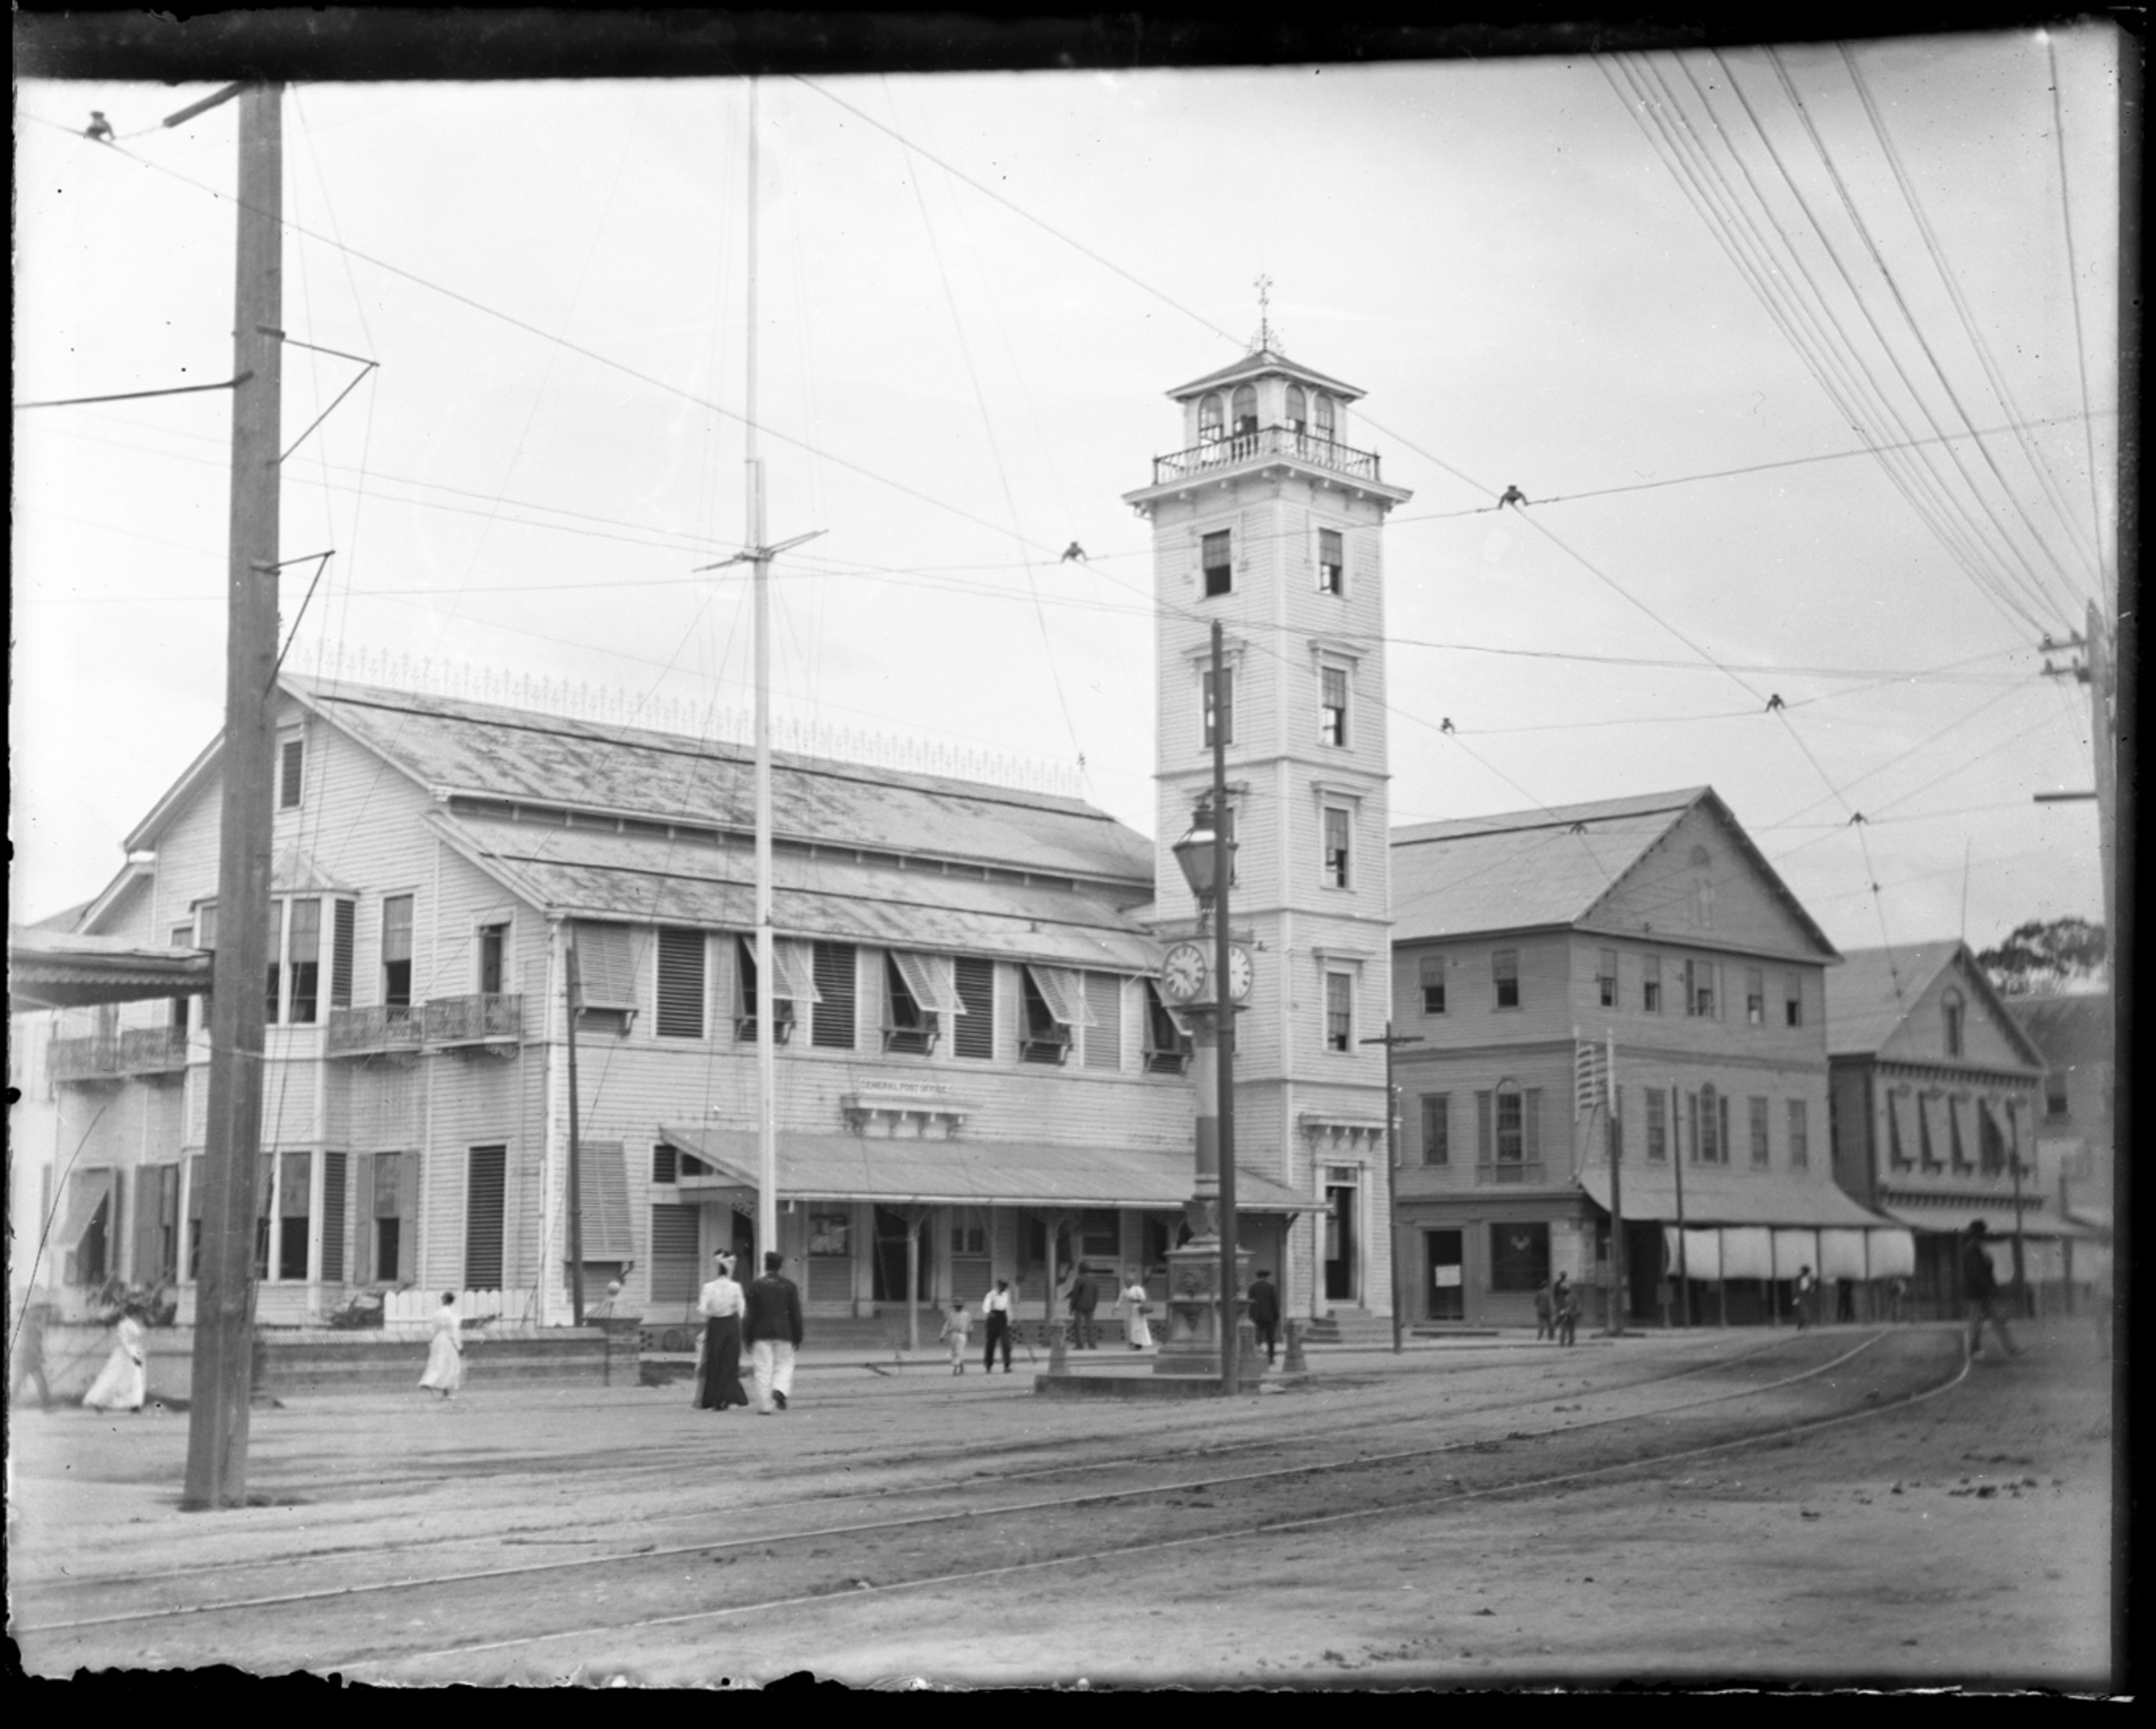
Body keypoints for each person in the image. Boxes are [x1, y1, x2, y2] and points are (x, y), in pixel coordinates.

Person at [743, 1250, 804, 1414]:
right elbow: (795, 1313)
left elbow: (750, 1314)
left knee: (763, 1368)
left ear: (765, 1264)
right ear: (780, 1266)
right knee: (785, 1364)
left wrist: (747, 1337)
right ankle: (779, 1390)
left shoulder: (756, 1285)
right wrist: (798, 1336)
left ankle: (764, 1406)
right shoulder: (789, 1286)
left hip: (760, 1333)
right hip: (785, 1332)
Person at [695, 1251, 749, 1412]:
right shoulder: (735, 1287)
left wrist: (710, 1313)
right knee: (730, 1362)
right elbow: (742, 1310)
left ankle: (714, 1399)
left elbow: (702, 1309)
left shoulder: (708, 1287)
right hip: (731, 1325)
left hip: (715, 1325)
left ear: (717, 1270)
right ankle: (727, 1398)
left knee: (714, 1361)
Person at [1962, 1221, 2019, 1361]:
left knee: (1998, 1319)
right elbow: (1977, 1273)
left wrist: (1991, 1288)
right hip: (1976, 1293)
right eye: (1981, 1232)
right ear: (1975, 1233)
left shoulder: (1981, 1247)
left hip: (1985, 1291)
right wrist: (1989, 1289)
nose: (1984, 1234)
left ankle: (2011, 1348)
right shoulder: (1971, 1249)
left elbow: (1987, 1270)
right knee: (1976, 1323)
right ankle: (1973, 1351)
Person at [83, 1303, 150, 1413]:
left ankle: (135, 1404)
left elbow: (140, 1336)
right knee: (113, 1378)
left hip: (137, 1352)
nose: (139, 1316)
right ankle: (97, 1401)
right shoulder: (124, 1325)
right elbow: (125, 1342)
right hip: (125, 1355)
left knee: (135, 1380)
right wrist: (134, 1356)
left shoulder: (137, 1324)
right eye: (137, 1313)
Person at [10, 1291, 55, 1412]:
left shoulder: (28, 1322)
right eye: (39, 1310)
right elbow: (29, 1342)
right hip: (26, 1356)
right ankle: (47, 1405)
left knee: (19, 1382)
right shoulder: (27, 1323)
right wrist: (37, 1356)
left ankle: (46, 1405)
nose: (41, 1313)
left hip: (24, 1355)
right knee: (37, 1380)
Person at [418, 1291, 464, 1399]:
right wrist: (459, 1346)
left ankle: (433, 1384)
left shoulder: (437, 1314)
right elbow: (453, 1332)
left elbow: (433, 1329)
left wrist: (433, 1340)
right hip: (447, 1340)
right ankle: (442, 1389)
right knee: (451, 1365)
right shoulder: (451, 1314)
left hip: (438, 1339)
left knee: (438, 1363)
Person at [1247, 1269, 1282, 1367]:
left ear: (1258, 1277)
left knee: (1257, 1338)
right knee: (1270, 1339)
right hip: (1269, 1317)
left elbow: (1250, 1303)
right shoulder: (1270, 1287)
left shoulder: (1252, 1287)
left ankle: (1256, 1356)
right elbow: (1274, 1303)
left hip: (1256, 1317)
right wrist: (1276, 1316)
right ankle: (1270, 1358)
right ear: (1266, 1277)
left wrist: (1251, 1316)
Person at [981, 1278, 1017, 1374]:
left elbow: (1008, 1308)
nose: (1004, 1288)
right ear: (998, 1285)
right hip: (993, 1318)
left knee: (1006, 1344)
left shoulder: (1006, 1294)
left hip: (1002, 1319)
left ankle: (1007, 1365)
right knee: (990, 1344)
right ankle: (988, 1366)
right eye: (1002, 1286)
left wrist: (1010, 1321)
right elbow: (985, 1306)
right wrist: (989, 1313)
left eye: (1005, 1286)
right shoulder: (991, 1294)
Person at [1067, 1264, 1100, 1350]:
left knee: (1078, 1326)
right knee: (1089, 1326)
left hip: (1079, 1306)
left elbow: (1075, 1294)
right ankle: (1091, 1345)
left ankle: (1079, 1345)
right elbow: (1096, 1295)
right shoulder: (1093, 1281)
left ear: (1080, 1270)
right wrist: (1093, 1306)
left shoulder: (1079, 1280)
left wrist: (1071, 1307)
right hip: (1090, 1306)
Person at [1120, 1271, 1153, 1351]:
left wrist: (1134, 1300)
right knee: (1133, 1328)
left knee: (1138, 1328)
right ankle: (1134, 1343)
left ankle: (1139, 1344)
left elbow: (1143, 1299)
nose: (1126, 1283)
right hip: (1132, 1311)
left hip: (1138, 1310)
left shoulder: (1138, 1289)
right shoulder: (1127, 1290)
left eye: (1128, 1281)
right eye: (1125, 1281)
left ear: (1132, 1281)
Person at [938, 1300, 973, 1375]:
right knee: (954, 1351)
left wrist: (970, 1335)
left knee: (959, 1351)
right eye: (957, 1306)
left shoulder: (966, 1315)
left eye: (959, 1306)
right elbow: (947, 1326)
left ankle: (955, 1368)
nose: (958, 1308)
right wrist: (942, 1335)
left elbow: (969, 1325)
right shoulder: (951, 1315)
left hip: (962, 1334)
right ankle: (961, 1366)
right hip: (953, 1334)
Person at [1553, 1274, 1577, 1347]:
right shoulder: (1571, 1297)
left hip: (1566, 1315)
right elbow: (1574, 1306)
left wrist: (1560, 1315)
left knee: (1565, 1329)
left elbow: (1561, 1308)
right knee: (1570, 1330)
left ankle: (1563, 1343)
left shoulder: (1561, 1298)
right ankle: (1569, 1342)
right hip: (1570, 1315)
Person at [1794, 1264, 1816, 1331]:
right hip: (1801, 1295)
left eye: (1804, 1271)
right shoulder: (1799, 1278)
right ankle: (1802, 1324)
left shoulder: (1810, 1278)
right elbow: (1797, 1287)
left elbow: (1812, 1287)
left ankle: (1803, 1324)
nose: (1803, 1272)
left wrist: (1811, 1290)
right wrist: (1796, 1296)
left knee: (1806, 1310)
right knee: (1802, 1310)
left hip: (1807, 1295)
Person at [1533, 1277, 1555, 1342]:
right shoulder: (1548, 1293)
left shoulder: (1538, 1293)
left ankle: (1539, 1337)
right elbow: (1550, 1303)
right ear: (1546, 1286)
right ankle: (1550, 1337)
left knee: (1541, 1325)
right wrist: (1552, 1310)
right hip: (1547, 1311)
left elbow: (1535, 1302)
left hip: (1540, 1311)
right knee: (1550, 1325)